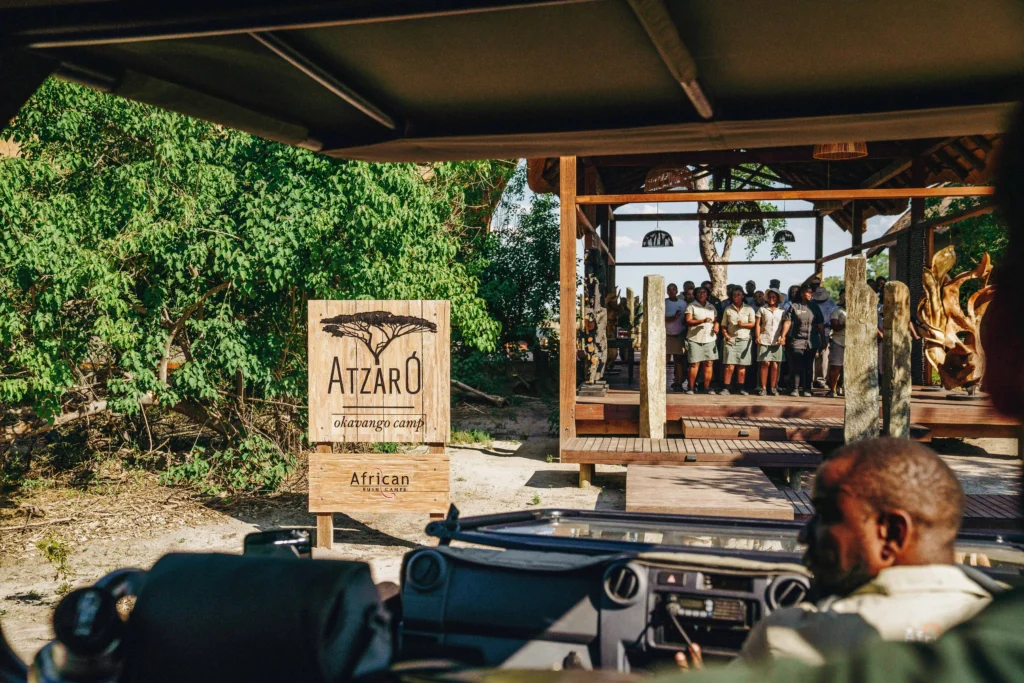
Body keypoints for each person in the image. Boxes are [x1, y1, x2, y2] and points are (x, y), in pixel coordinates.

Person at [737, 438, 992, 666]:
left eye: (826, 516)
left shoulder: (788, 635)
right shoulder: (1005, 627)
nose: (803, 535)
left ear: (891, 534)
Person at [786, 284, 824, 397]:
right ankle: (795, 388)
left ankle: (807, 389)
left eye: (811, 292)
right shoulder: (794, 306)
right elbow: (788, 322)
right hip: (798, 340)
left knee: (808, 366)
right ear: (802, 293)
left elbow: (820, 325)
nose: (810, 294)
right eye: (808, 292)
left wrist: (824, 340)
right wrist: (783, 336)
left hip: (812, 341)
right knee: (797, 365)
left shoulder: (815, 307)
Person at [719, 287, 756, 395]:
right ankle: (726, 387)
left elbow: (753, 324)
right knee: (729, 365)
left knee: (741, 365)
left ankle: (741, 388)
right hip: (731, 339)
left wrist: (743, 324)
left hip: (744, 339)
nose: (736, 296)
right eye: (734, 294)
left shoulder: (749, 309)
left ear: (742, 296)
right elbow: (723, 325)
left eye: (738, 294)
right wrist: (726, 335)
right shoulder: (728, 309)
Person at [684, 287, 719, 394]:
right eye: (699, 292)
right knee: (694, 364)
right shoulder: (691, 306)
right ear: (695, 294)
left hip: (710, 338)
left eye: (704, 292)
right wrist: (702, 321)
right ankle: (690, 387)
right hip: (695, 339)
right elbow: (688, 321)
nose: (702, 294)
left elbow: (716, 320)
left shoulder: (711, 307)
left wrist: (716, 326)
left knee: (708, 363)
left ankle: (706, 387)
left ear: (707, 294)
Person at [754, 289, 789, 396]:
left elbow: (786, 323)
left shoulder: (782, 311)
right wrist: (757, 336)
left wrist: (783, 337)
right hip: (765, 338)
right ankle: (763, 388)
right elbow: (758, 324)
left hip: (777, 340)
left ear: (778, 299)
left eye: (774, 297)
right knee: (765, 363)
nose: (772, 299)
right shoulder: (762, 309)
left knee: (775, 365)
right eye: (770, 297)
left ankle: (773, 387)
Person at [812, 287, 837, 387]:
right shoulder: (812, 304)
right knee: (813, 357)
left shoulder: (832, 304)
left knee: (824, 357)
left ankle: (822, 379)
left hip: (826, 333)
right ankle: (811, 379)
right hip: (813, 333)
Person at [665, 283, 687, 391]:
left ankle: (678, 382)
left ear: (677, 291)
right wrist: (673, 317)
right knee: (665, 359)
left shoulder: (683, 303)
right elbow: (662, 318)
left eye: (673, 289)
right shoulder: (664, 302)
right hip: (667, 334)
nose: (671, 291)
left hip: (679, 334)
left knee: (678, 360)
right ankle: (660, 381)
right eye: (669, 289)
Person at [826, 290, 846, 398]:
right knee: (836, 367)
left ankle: (844, 388)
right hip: (838, 341)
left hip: (852, 342)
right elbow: (834, 326)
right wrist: (844, 324)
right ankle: (832, 389)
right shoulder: (837, 312)